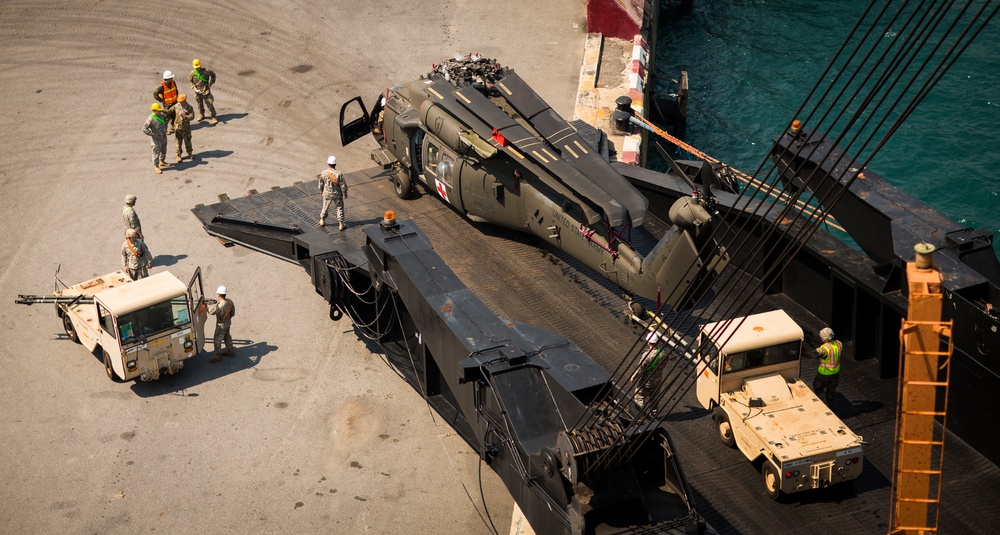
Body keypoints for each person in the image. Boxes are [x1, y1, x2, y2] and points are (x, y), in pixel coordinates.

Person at [630, 331, 665, 413]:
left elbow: (640, 368)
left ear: (648, 342)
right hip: (658, 381)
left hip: (647, 382)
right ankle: (654, 416)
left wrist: (633, 377)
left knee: (639, 396)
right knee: (654, 399)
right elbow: (663, 364)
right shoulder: (663, 353)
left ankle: (640, 415)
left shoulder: (647, 355)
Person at [811, 327, 843, 406]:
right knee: (831, 389)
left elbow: (812, 354)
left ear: (824, 338)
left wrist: (798, 352)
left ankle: (824, 404)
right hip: (835, 373)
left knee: (818, 387)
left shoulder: (824, 348)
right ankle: (831, 403)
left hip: (824, 374)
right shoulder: (839, 343)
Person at [205, 285, 236, 362]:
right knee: (227, 336)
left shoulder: (221, 305)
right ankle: (230, 350)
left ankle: (218, 355)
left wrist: (206, 308)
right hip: (228, 322)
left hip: (221, 325)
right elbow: (233, 312)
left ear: (218, 294)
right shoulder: (229, 301)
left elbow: (213, 311)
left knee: (217, 340)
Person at [318, 155, 348, 230]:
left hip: (327, 193)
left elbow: (321, 183)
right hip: (337, 194)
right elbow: (343, 185)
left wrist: (321, 190)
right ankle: (341, 224)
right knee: (339, 207)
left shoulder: (324, 172)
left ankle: (322, 220)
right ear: (335, 164)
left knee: (325, 206)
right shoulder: (339, 174)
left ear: (328, 163)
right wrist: (345, 194)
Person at [167, 93, 196, 162]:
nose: (180, 102)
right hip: (178, 127)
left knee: (188, 141)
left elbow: (192, 117)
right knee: (178, 142)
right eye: (179, 101)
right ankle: (178, 155)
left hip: (186, 128)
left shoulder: (189, 107)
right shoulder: (176, 106)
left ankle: (190, 153)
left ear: (185, 100)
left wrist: (184, 116)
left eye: (181, 101)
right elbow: (169, 112)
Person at [143, 103, 170, 174]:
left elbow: (166, 121)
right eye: (158, 111)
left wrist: (165, 129)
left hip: (163, 136)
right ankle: (156, 166)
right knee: (156, 152)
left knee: (163, 149)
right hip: (156, 139)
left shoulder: (161, 115)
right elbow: (144, 129)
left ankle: (162, 161)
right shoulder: (150, 119)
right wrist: (152, 134)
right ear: (154, 110)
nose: (160, 112)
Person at [189, 58, 218, 124]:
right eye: (196, 67)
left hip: (206, 90)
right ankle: (202, 114)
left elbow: (213, 75)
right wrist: (194, 88)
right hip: (197, 92)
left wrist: (211, 83)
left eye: (198, 67)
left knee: (210, 104)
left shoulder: (206, 71)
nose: (197, 68)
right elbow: (191, 81)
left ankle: (213, 116)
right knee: (200, 104)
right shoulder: (192, 73)